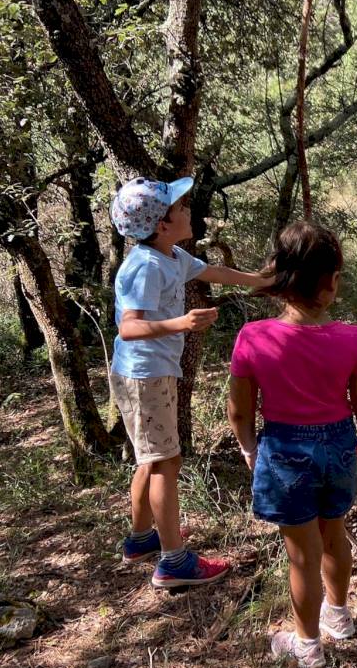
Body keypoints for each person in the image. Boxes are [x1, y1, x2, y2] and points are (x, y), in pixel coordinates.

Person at [226, 222, 357, 668]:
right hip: (338, 443)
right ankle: (339, 615)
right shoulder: (353, 338)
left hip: (284, 447)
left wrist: (250, 449)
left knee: (302, 552)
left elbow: (240, 412)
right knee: (335, 534)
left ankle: (307, 645)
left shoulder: (253, 337)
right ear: (330, 281)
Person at [110, 176, 271, 588]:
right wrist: (180, 323)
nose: (186, 211)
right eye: (179, 208)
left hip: (156, 373)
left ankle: (141, 539)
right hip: (143, 376)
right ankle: (173, 561)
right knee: (165, 463)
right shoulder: (144, 266)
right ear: (162, 223)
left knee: (154, 458)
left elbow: (213, 270)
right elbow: (129, 328)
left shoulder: (171, 255)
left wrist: (261, 280)